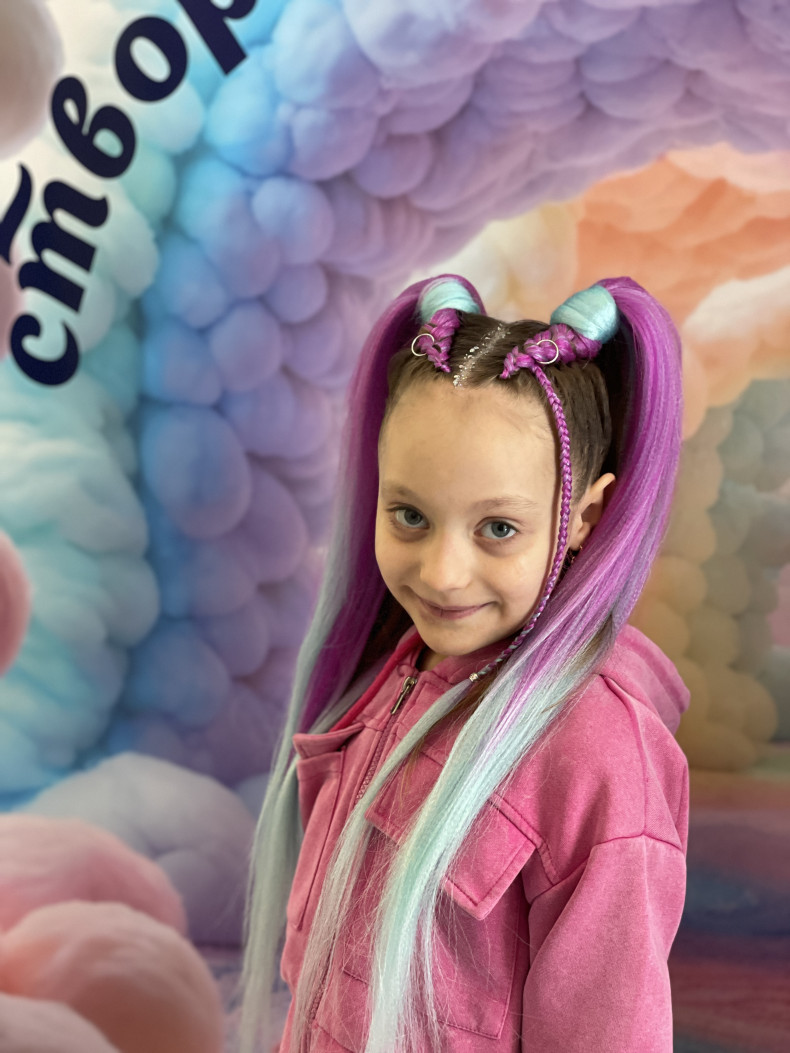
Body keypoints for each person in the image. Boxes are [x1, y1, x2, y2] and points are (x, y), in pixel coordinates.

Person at [238, 274, 690, 1053]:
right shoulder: (395, 674)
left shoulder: (596, 753)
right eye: (409, 515)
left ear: (584, 516)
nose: (443, 574)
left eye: (498, 528)